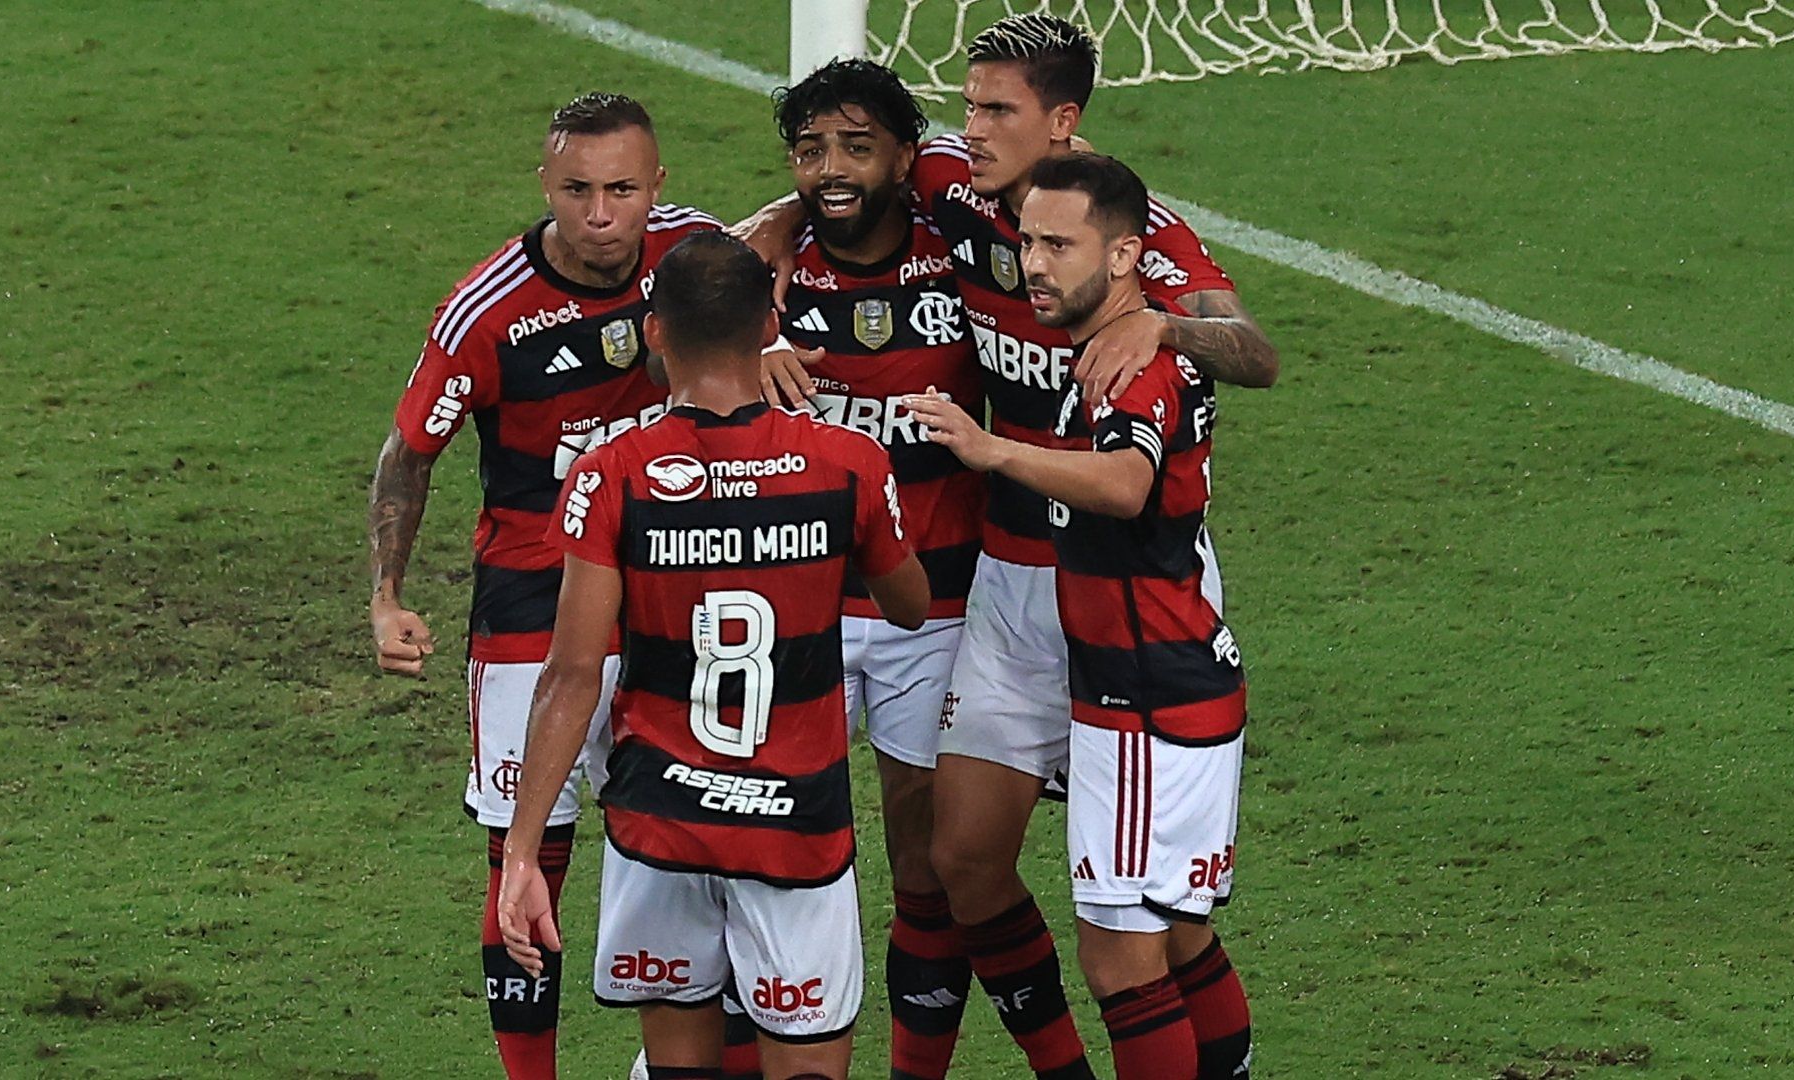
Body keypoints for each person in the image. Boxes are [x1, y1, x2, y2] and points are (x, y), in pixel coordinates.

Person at [734, 16, 1266, 1078]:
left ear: (1061, 123)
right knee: (963, 863)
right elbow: (837, 179)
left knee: (1155, 926)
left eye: (996, 111)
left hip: (1133, 607)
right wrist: (766, 250)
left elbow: (1251, 347)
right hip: (1007, 592)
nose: (969, 129)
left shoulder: (1135, 230)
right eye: (969, 106)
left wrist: (1163, 326)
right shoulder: (954, 186)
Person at [495, 231, 931, 1080]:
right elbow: (909, 607)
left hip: (661, 819)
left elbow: (572, 671)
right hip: (796, 829)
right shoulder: (846, 463)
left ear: (654, 332)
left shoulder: (610, 475)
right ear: (770, 321)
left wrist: (521, 854)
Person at [365, 93, 719, 1079]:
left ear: (658, 185)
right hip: (533, 597)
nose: (601, 214)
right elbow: (410, 451)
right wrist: (387, 595)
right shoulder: (489, 310)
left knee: (694, 836)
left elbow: (769, 248)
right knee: (527, 854)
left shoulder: (693, 254)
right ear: (544, 187)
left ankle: (685, 1060)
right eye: (577, 190)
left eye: (621, 189)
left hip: (667, 590)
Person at [907, 152, 1252, 1080]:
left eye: (1060, 245)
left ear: (1129, 255)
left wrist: (994, 451)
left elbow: (1126, 483)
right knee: (1173, 941)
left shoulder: (1133, 366)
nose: (1035, 265)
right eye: (1028, 242)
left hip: (1144, 699)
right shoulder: (1119, 347)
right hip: (1160, 684)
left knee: (1123, 958)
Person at [771, 58, 986, 1080]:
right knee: (766, 852)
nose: (832, 170)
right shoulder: (762, 274)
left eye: (858, 146)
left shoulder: (969, 254)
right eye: (811, 150)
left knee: (927, 868)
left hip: (932, 610)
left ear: (906, 156)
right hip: (797, 605)